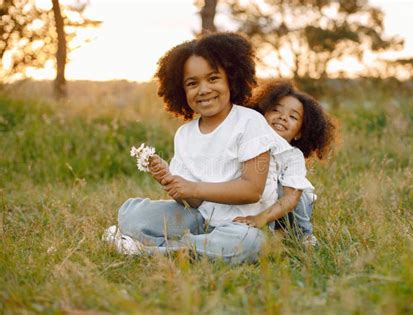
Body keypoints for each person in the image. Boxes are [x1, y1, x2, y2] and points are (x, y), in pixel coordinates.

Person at [103, 32, 290, 264]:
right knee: (131, 214)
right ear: (181, 91)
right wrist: (171, 182)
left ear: (231, 79)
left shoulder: (249, 122)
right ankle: (192, 245)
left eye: (213, 79)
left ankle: (151, 250)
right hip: (199, 218)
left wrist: (193, 187)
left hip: (244, 224)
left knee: (250, 244)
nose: (203, 90)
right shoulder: (185, 134)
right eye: (192, 83)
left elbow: (252, 190)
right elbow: (193, 202)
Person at [233, 79, 336, 245]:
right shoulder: (247, 142)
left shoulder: (292, 155)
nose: (282, 117)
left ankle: (304, 235)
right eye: (275, 110)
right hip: (260, 202)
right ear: (261, 114)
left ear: (299, 133)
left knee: (289, 189)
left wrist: (261, 218)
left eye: (293, 116)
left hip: (290, 207)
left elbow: (291, 198)